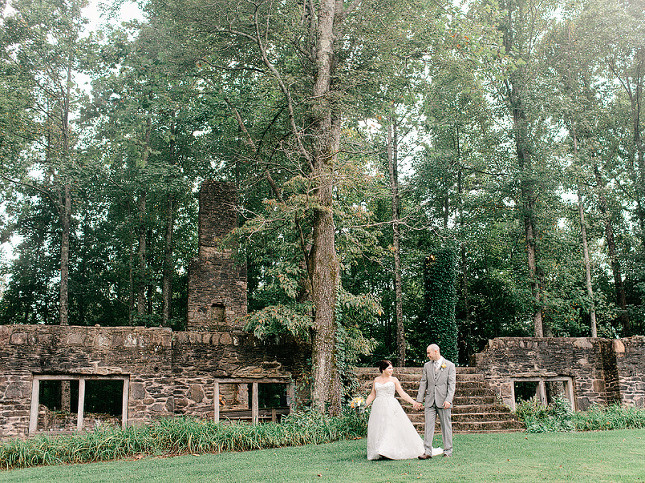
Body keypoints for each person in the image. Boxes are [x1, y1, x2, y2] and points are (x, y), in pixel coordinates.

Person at [364, 360, 425, 460]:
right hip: (378, 406)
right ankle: (380, 450)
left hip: (391, 406)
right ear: (383, 369)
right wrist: (363, 405)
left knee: (390, 427)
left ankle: (387, 450)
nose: (391, 370)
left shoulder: (394, 380)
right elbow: (372, 394)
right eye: (389, 368)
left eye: (392, 368)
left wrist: (413, 402)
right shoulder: (376, 380)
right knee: (379, 427)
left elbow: (402, 394)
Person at [416, 344, 456, 459]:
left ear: (436, 351)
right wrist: (419, 400)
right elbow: (423, 383)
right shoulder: (427, 366)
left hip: (444, 401)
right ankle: (427, 452)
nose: (427, 355)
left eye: (429, 353)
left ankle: (448, 451)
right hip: (429, 401)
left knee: (446, 427)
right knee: (428, 426)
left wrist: (449, 400)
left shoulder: (450, 365)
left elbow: (452, 385)